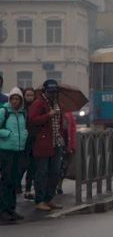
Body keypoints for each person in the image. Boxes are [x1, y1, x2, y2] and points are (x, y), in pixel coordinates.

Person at [28, 79, 65, 211]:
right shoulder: (38, 103)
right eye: (50, 92)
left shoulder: (57, 103)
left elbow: (60, 122)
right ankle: (40, 200)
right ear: (45, 91)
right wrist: (48, 115)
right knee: (42, 172)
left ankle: (49, 198)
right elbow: (31, 120)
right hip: (43, 143)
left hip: (57, 142)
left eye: (54, 92)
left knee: (55, 172)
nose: (52, 94)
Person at [0, 87, 28, 222]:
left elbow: (23, 128)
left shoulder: (22, 113)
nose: (15, 101)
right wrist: (8, 134)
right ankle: (3, 210)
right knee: (6, 180)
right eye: (13, 99)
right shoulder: (4, 111)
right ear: (10, 100)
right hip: (6, 151)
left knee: (15, 181)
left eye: (17, 99)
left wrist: (25, 134)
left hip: (18, 150)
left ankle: (11, 209)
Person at [18, 87, 36, 200]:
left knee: (32, 166)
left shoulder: (36, 108)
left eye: (32, 95)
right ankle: (17, 186)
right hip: (24, 141)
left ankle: (28, 190)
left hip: (34, 140)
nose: (30, 97)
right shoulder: (21, 109)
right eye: (27, 95)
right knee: (22, 165)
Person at [56, 111, 76, 195]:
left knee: (63, 166)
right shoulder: (53, 111)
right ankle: (54, 185)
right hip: (56, 144)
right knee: (56, 166)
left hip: (66, 144)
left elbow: (73, 129)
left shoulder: (69, 114)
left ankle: (59, 186)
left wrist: (72, 145)